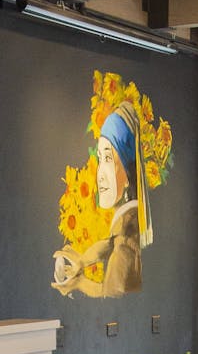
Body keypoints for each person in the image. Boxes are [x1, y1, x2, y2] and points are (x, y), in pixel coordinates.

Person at [52, 101, 153, 298]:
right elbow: (108, 245)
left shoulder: (127, 228)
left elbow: (113, 290)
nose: (100, 174)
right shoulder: (129, 216)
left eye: (108, 159)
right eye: (100, 159)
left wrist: (79, 283)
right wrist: (81, 260)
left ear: (127, 175)